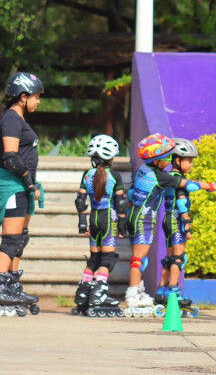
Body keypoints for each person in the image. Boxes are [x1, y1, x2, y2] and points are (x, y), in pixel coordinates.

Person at [0, 72, 44, 316]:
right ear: (23, 96)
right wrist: (29, 182)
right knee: (11, 239)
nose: (38, 101)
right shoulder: (11, 119)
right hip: (12, 184)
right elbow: (9, 157)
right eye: (36, 96)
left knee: (20, 237)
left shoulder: (18, 119)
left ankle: (11, 285)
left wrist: (31, 184)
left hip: (21, 184)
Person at [155, 138, 216, 312]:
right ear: (177, 160)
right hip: (176, 221)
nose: (192, 164)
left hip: (167, 220)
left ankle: (162, 292)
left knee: (169, 258)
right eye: (189, 160)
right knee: (178, 258)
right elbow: (182, 202)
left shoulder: (169, 177)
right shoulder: (178, 179)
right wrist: (187, 224)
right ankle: (174, 293)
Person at [72, 135, 126, 317]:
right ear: (111, 158)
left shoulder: (87, 175)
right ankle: (98, 295)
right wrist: (122, 226)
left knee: (94, 260)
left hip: (93, 219)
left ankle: (82, 294)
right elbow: (120, 204)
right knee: (107, 260)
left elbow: (80, 201)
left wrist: (82, 223)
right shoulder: (114, 176)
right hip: (108, 219)